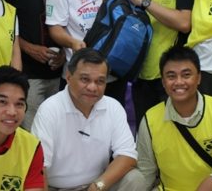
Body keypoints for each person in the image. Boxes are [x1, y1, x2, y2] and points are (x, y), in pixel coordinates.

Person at [136, 45, 212, 191]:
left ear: (199, 78)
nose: (179, 82)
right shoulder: (150, 119)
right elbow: (145, 171)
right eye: (171, 76)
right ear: (163, 82)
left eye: (186, 75)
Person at [32, 48, 145, 191]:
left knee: (135, 179)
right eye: (85, 79)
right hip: (56, 187)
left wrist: (97, 186)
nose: (92, 87)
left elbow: (127, 155)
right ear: (68, 77)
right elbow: (39, 166)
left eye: (100, 81)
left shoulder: (113, 107)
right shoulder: (50, 109)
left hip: (96, 185)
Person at [125, 0, 201, 126]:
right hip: (143, 73)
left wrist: (145, 1)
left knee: (176, 136)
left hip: (171, 75)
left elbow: (185, 23)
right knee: (147, 135)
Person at [3, 0, 66, 131]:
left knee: (54, 131)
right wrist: (29, 48)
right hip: (28, 76)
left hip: (59, 77)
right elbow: (3, 28)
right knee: (30, 134)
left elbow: (69, 28)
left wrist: (64, 53)